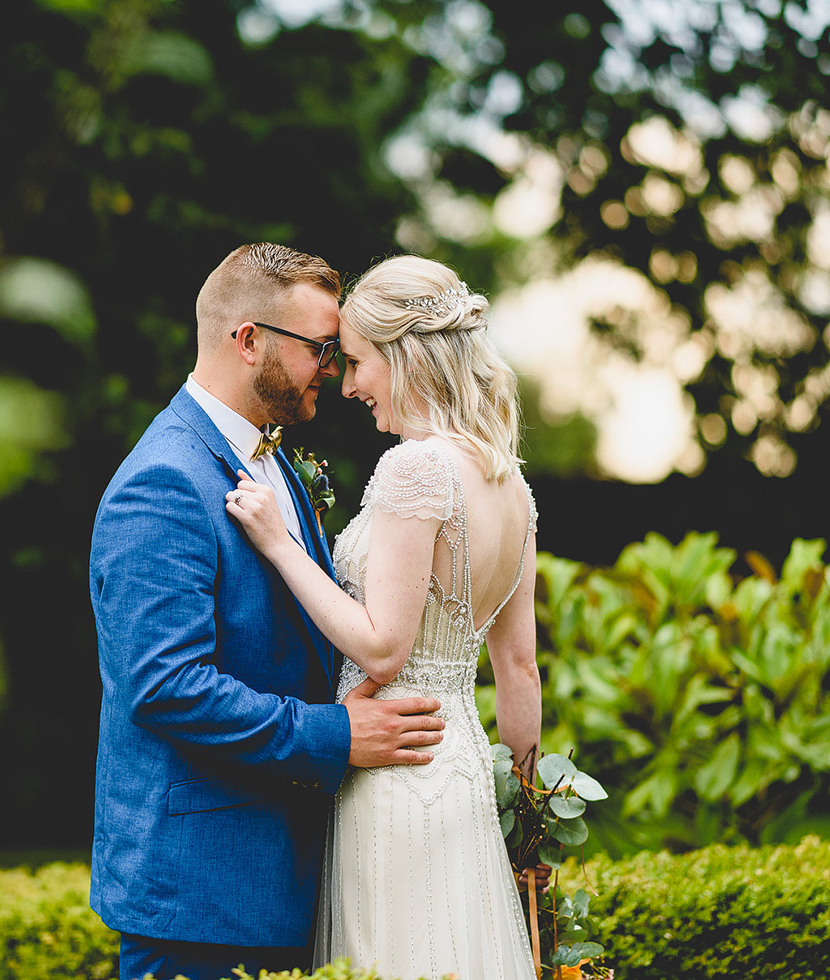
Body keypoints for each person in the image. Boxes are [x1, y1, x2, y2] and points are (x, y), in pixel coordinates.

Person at [89, 243, 449, 980]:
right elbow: (166, 687)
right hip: (202, 899)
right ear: (248, 340)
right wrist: (335, 733)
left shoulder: (275, 460)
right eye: (319, 348)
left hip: (288, 880)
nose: (332, 367)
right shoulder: (162, 483)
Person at [227, 254, 542, 980]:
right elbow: (519, 670)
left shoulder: (417, 468)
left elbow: (382, 649)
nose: (350, 385)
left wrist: (279, 543)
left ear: (406, 359)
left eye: (361, 362)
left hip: (397, 767)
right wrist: (529, 822)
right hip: (458, 770)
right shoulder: (511, 486)